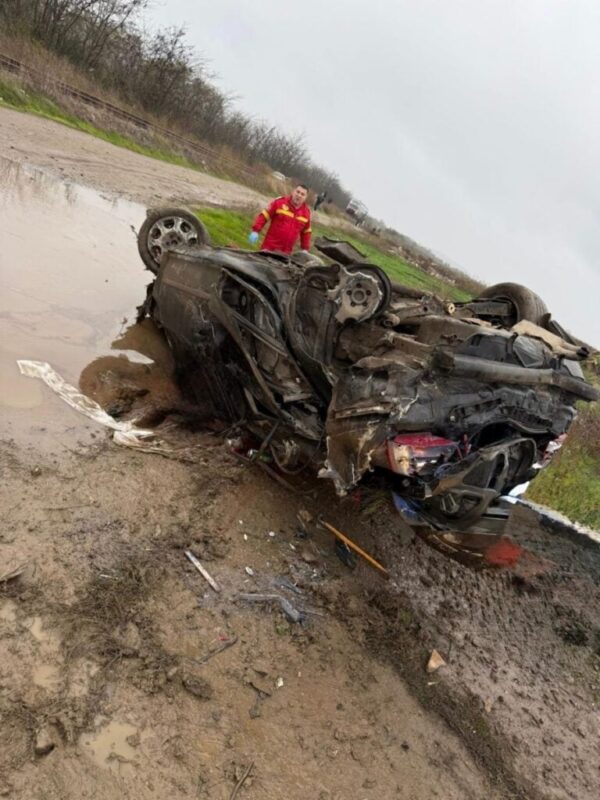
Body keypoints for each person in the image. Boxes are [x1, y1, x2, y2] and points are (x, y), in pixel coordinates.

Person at [248, 184, 312, 254]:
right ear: (293, 191)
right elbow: (265, 215)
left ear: (305, 197)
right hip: (269, 248)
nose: (299, 195)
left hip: (286, 253)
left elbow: (306, 231)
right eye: (298, 192)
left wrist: (305, 248)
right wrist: (255, 231)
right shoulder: (279, 202)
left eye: (302, 194)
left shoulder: (306, 213)